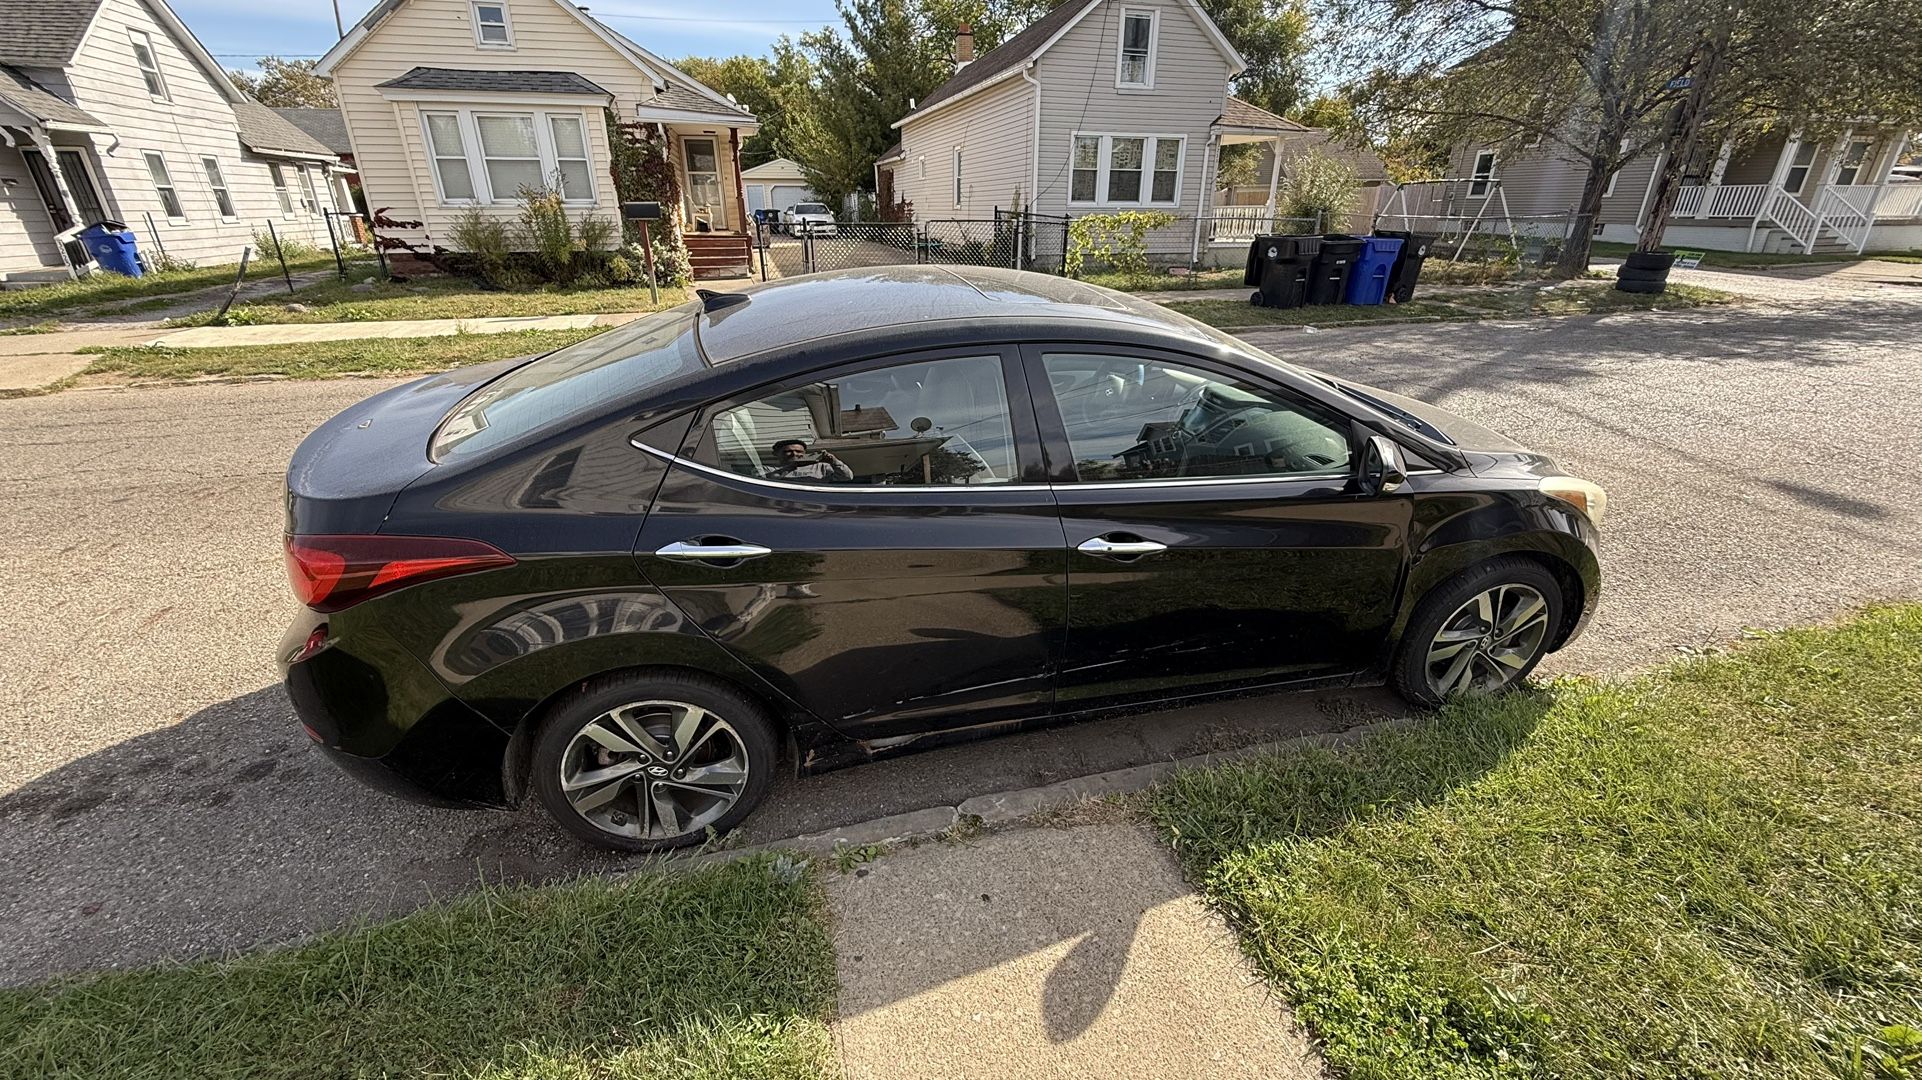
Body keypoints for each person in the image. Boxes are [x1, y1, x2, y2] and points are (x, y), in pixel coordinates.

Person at [763, 438, 853, 482]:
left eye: (799, 451)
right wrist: (792, 466)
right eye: (788, 451)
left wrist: (834, 461)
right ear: (776, 454)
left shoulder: (821, 467)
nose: (794, 454)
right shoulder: (767, 469)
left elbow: (847, 477)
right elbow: (765, 482)